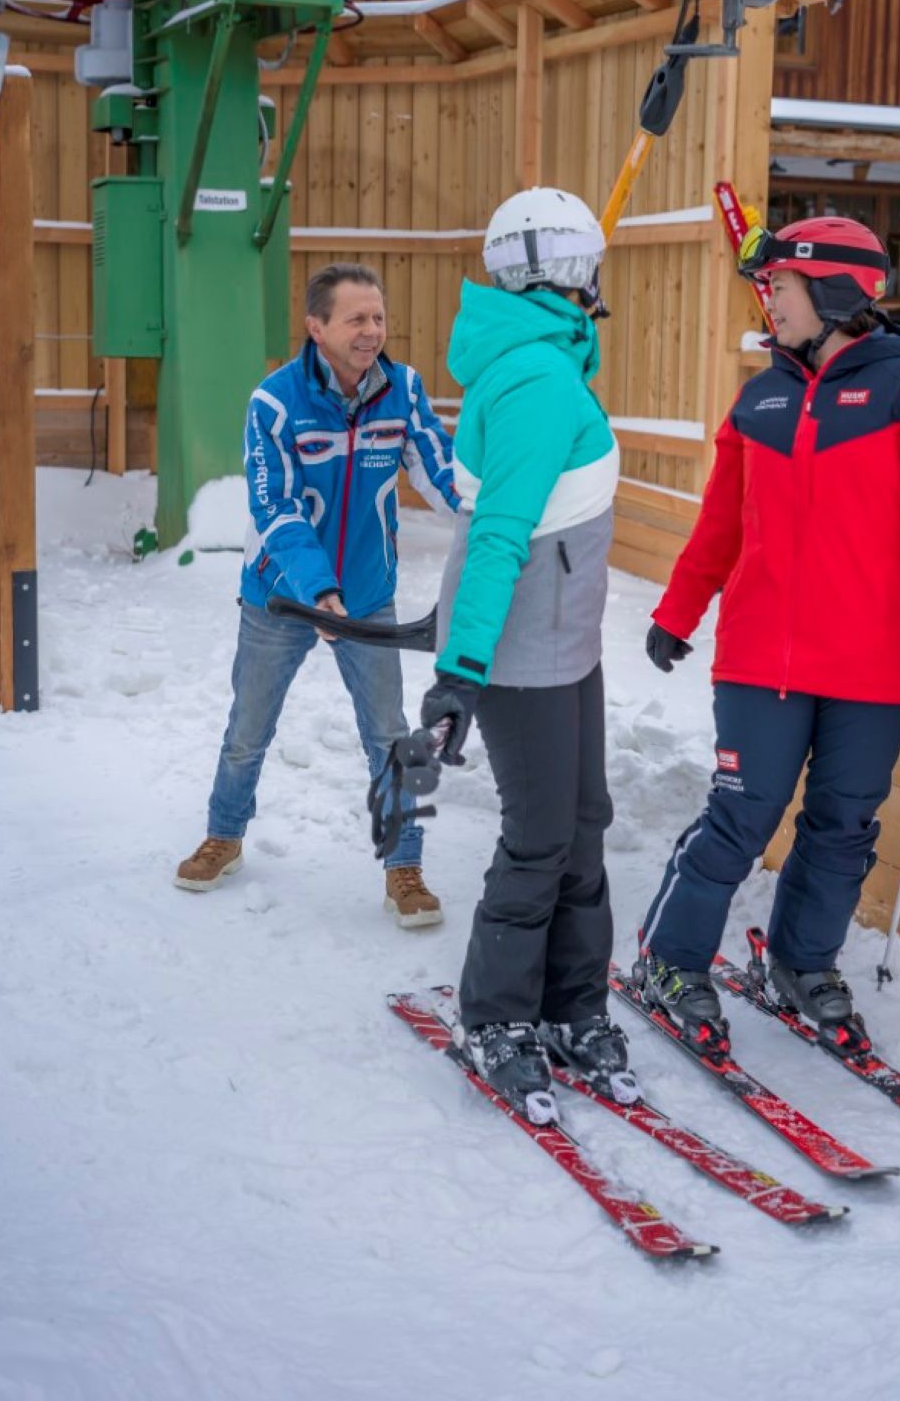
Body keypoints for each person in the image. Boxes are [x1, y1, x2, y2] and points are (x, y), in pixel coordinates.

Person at [626, 214, 900, 1056]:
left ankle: (803, 961)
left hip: (875, 661)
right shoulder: (761, 397)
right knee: (742, 817)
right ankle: (670, 958)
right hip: (764, 659)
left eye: (780, 286)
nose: (769, 303)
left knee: (842, 824)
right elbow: (721, 524)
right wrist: (679, 611)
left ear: (834, 291)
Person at [419, 187, 635, 1121]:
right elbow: (499, 533)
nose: (597, 284)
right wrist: (461, 671)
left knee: (584, 825)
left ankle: (572, 1006)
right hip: (516, 656)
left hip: (563, 641)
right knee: (543, 837)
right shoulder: (541, 383)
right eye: (590, 268)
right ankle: (497, 1017)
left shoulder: (540, 358)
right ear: (566, 274)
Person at [178, 263, 459, 928]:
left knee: (390, 735)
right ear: (317, 327)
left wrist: (492, 524)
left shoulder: (404, 390)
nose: (372, 332)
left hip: (368, 595)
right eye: (356, 319)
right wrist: (317, 592)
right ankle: (225, 834)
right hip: (280, 597)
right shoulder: (274, 403)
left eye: (379, 318)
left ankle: (404, 866)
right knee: (249, 728)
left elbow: (443, 472)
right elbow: (275, 509)